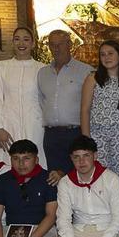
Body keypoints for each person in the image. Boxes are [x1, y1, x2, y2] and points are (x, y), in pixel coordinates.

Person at [37, 30, 92, 177]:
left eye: (60, 44)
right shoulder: (42, 73)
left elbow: (91, 104)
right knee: (54, 177)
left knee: (77, 176)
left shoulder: (86, 71)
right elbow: (42, 101)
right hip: (51, 135)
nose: (56, 48)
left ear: (69, 45)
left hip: (75, 133)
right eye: (52, 45)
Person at [0, 26, 46, 165]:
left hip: (35, 125)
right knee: (9, 164)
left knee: (34, 163)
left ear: (33, 43)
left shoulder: (42, 69)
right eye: (17, 39)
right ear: (13, 42)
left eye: (26, 40)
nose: (21, 44)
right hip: (8, 126)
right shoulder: (2, 67)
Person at [80, 40, 119, 174]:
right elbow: (85, 109)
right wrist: (86, 139)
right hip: (97, 134)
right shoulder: (93, 78)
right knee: (99, 174)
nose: (107, 57)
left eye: (110, 53)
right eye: (103, 54)